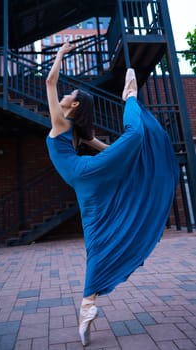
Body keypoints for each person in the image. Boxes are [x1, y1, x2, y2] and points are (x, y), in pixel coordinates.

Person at [45, 42, 179, 346]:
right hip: (85, 179)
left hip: (83, 176)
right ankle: (87, 306)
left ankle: (130, 97)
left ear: (74, 106)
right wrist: (122, 158)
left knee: (133, 136)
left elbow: (49, 81)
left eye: (71, 95)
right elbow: (102, 149)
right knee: (94, 240)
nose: (65, 95)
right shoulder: (72, 127)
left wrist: (61, 54)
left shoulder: (60, 120)